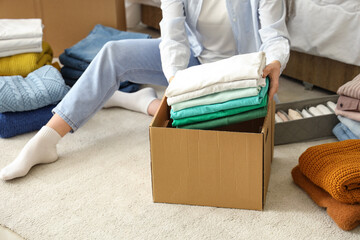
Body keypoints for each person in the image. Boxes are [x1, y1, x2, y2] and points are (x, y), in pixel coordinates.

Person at [0, 0, 290, 181]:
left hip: (244, 73)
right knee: (113, 53)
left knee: (224, 140)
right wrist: (179, 81)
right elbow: (174, 36)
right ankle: (45, 141)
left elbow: (274, 35)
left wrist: (275, 61)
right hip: (194, 61)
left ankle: (141, 102)